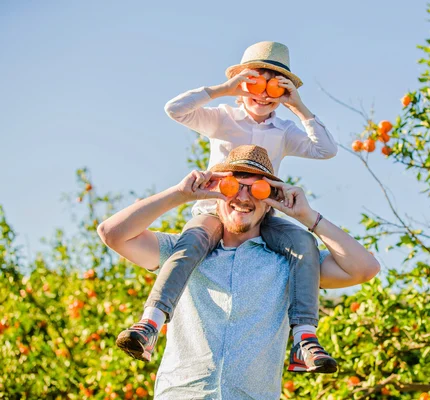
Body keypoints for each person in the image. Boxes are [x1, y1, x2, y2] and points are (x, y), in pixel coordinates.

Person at [114, 41, 340, 373]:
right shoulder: (223, 118)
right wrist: (222, 90)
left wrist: (299, 107)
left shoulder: (284, 130)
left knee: (304, 242)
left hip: (261, 211)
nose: (263, 95)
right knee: (190, 244)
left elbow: (326, 150)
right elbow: (174, 110)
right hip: (214, 209)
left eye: (273, 87)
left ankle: (304, 338)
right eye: (255, 84)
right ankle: (151, 323)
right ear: (241, 84)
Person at [97, 145, 380, 399]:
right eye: (234, 186)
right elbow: (112, 233)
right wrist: (179, 194)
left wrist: (308, 217)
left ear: (270, 200)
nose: (243, 197)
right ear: (217, 193)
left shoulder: (289, 262)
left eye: (256, 189)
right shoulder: (182, 252)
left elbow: (365, 268)